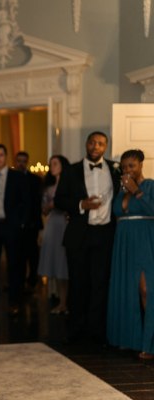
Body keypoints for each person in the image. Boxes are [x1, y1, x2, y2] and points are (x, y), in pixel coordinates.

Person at [54, 131, 120, 345]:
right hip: (79, 235)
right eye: (92, 142)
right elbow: (59, 200)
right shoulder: (71, 170)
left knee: (100, 284)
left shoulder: (115, 169)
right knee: (78, 283)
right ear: (86, 144)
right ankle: (76, 330)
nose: (95, 146)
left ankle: (97, 331)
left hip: (105, 234)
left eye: (100, 143)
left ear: (105, 147)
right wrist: (82, 204)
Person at [108, 149, 154, 359]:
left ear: (141, 165)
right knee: (126, 290)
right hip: (123, 243)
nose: (127, 170)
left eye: (132, 166)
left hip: (144, 240)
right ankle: (128, 339)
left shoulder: (150, 185)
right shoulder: (120, 190)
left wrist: (137, 191)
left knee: (147, 290)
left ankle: (150, 344)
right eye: (124, 166)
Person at [0, 144, 29, 315]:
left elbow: (26, 202)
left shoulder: (17, 177)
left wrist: (21, 224)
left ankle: (14, 302)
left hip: (11, 226)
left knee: (14, 266)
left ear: (6, 157)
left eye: (0, 155)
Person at [37, 155, 70, 314]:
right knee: (56, 264)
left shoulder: (70, 185)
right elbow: (43, 210)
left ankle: (67, 302)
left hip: (66, 225)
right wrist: (49, 205)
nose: (52, 166)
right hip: (53, 224)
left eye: (55, 163)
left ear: (63, 165)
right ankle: (61, 302)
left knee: (66, 263)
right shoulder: (48, 187)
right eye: (50, 164)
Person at [14, 151, 43, 289]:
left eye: (23, 161)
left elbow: (37, 203)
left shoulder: (35, 180)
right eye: (18, 160)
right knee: (16, 255)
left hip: (31, 224)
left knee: (32, 254)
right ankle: (17, 281)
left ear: (27, 162)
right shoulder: (10, 178)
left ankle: (32, 279)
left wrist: (35, 222)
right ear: (15, 161)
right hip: (14, 224)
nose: (21, 164)